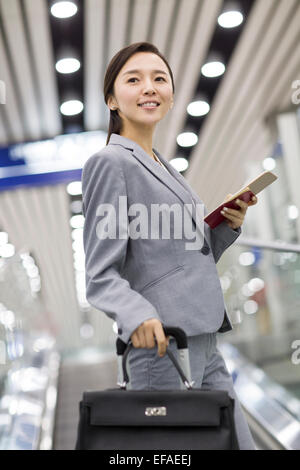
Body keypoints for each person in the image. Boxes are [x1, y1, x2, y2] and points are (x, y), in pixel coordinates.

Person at [82, 42, 257, 450]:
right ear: (112, 99)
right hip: (163, 345)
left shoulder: (167, 167)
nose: (149, 87)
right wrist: (138, 315)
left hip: (205, 338)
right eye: (134, 79)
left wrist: (226, 227)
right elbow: (99, 274)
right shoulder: (110, 163)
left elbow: (184, 259)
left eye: (159, 79)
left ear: (172, 94)